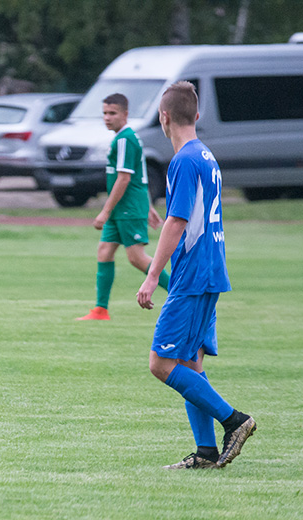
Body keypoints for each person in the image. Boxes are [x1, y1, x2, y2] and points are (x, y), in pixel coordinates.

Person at [137, 81, 255, 469]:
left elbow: (178, 220)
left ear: (163, 117)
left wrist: (153, 274)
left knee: (161, 363)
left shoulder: (184, 160)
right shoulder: (206, 155)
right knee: (189, 364)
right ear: (198, 115)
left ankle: (234, 420)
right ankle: (205, 453)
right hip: (210, 268)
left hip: (192, 274)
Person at [77, 93, 169, 321]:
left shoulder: (125, 140)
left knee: (137, 258)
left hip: (126, 208)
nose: (107, 118)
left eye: (112, 113)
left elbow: (125, 179)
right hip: (125, 208)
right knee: (105, 251)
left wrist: (105, 211)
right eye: (105, 113)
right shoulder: (124, 138)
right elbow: (142, 175)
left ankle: (182, 294)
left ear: (125, 114)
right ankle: (100, 310)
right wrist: (148, 206)